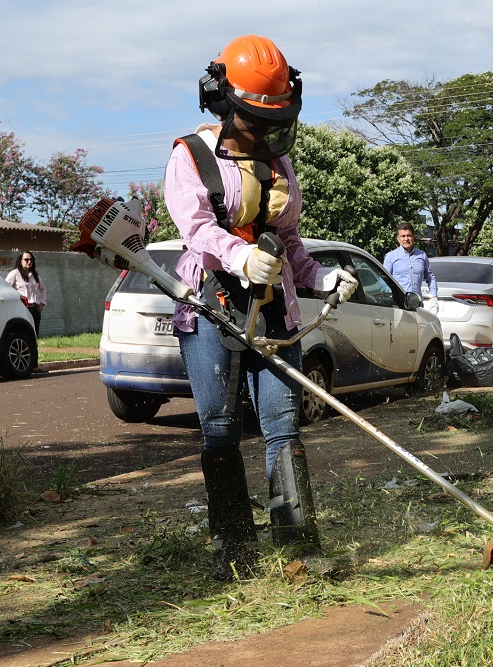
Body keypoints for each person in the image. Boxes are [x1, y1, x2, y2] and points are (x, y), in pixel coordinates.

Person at [164, 33, 358, 580]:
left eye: (275, 120)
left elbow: (291, 245)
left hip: (275, 309)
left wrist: (322, 276)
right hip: (211, 305)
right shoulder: (192, 156)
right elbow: (197, 229)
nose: (268, 131)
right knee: (221, 428)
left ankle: (298, 546)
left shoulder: (280, 163)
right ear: (225, 104)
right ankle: (234, 550)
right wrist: (240, 256)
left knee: (282, 424)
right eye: (256, 119)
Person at [383, 222, 437, 310]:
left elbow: (430, 277)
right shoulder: (391, 257)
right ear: (398, 239)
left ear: (413, 237)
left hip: (417, 304)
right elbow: (384, 280)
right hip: (399, 306)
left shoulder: (422, 255)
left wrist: (434, 296)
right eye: (403, 236)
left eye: (409, 235)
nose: (406, 239)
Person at [6, 252, 46, 335]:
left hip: (35, 309)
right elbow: (6, 289)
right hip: (22, 308)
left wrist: (42, 302)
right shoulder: (14, 273)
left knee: (34, 333)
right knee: (23, 333)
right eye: (26, 259)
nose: (29, 261)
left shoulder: (35, 275)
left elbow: (42, 289)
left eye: (31, 259)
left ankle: (34, 348)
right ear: (20, 260)